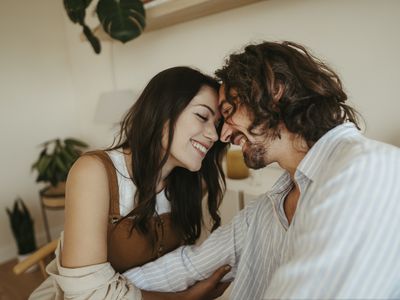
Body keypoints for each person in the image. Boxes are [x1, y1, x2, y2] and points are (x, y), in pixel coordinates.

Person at [124, 41, 400, 299]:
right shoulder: (265, 212)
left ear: (274, 91)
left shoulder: (369, 167)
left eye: (229, 110)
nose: (224, 135)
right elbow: (185, 266)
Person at [29, 66, 232, 299]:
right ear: (162, 110)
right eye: (202, 116)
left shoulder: (194, 183)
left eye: (216, 125)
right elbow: (86, 294)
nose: (214, 136)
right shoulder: (94, 172)